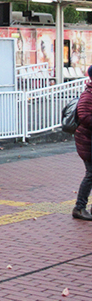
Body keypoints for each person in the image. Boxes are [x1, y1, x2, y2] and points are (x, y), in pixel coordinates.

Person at [72, 64, 92, 220]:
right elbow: (84, 116)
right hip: (87, 140)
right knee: (90, 174)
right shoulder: (88, 95)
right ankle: (79, 208)